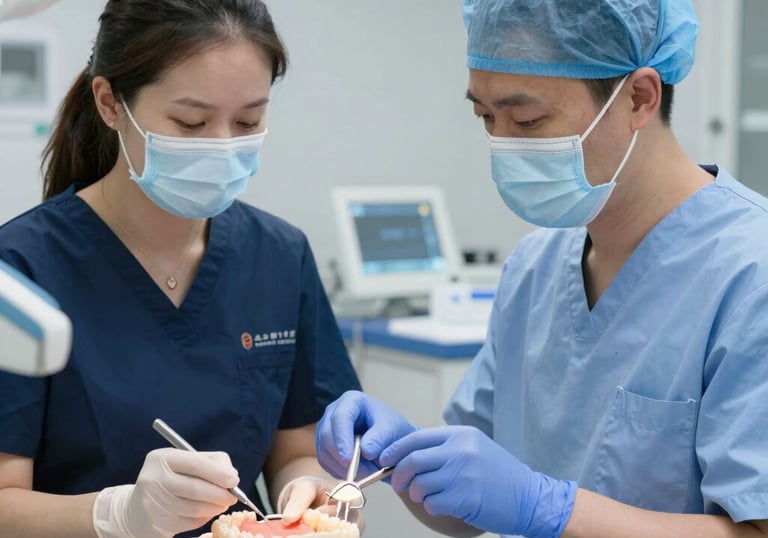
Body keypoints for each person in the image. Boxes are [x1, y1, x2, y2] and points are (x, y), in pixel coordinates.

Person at [316, 1, 768, 537]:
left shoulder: (749, 273)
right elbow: (465, 511)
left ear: (639, 97)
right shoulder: (536, 266)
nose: (503, 143)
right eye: (486, 117)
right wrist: (396, 458)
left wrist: (548, 508)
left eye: (527, 119)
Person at [0, 1, 361, 537]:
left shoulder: (279, 255)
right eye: (190, 122)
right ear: (110, 103)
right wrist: (117, 516)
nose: (221, 146)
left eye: (248, 120)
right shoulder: (22, 269)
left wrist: (310, 494)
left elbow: (299, 448)